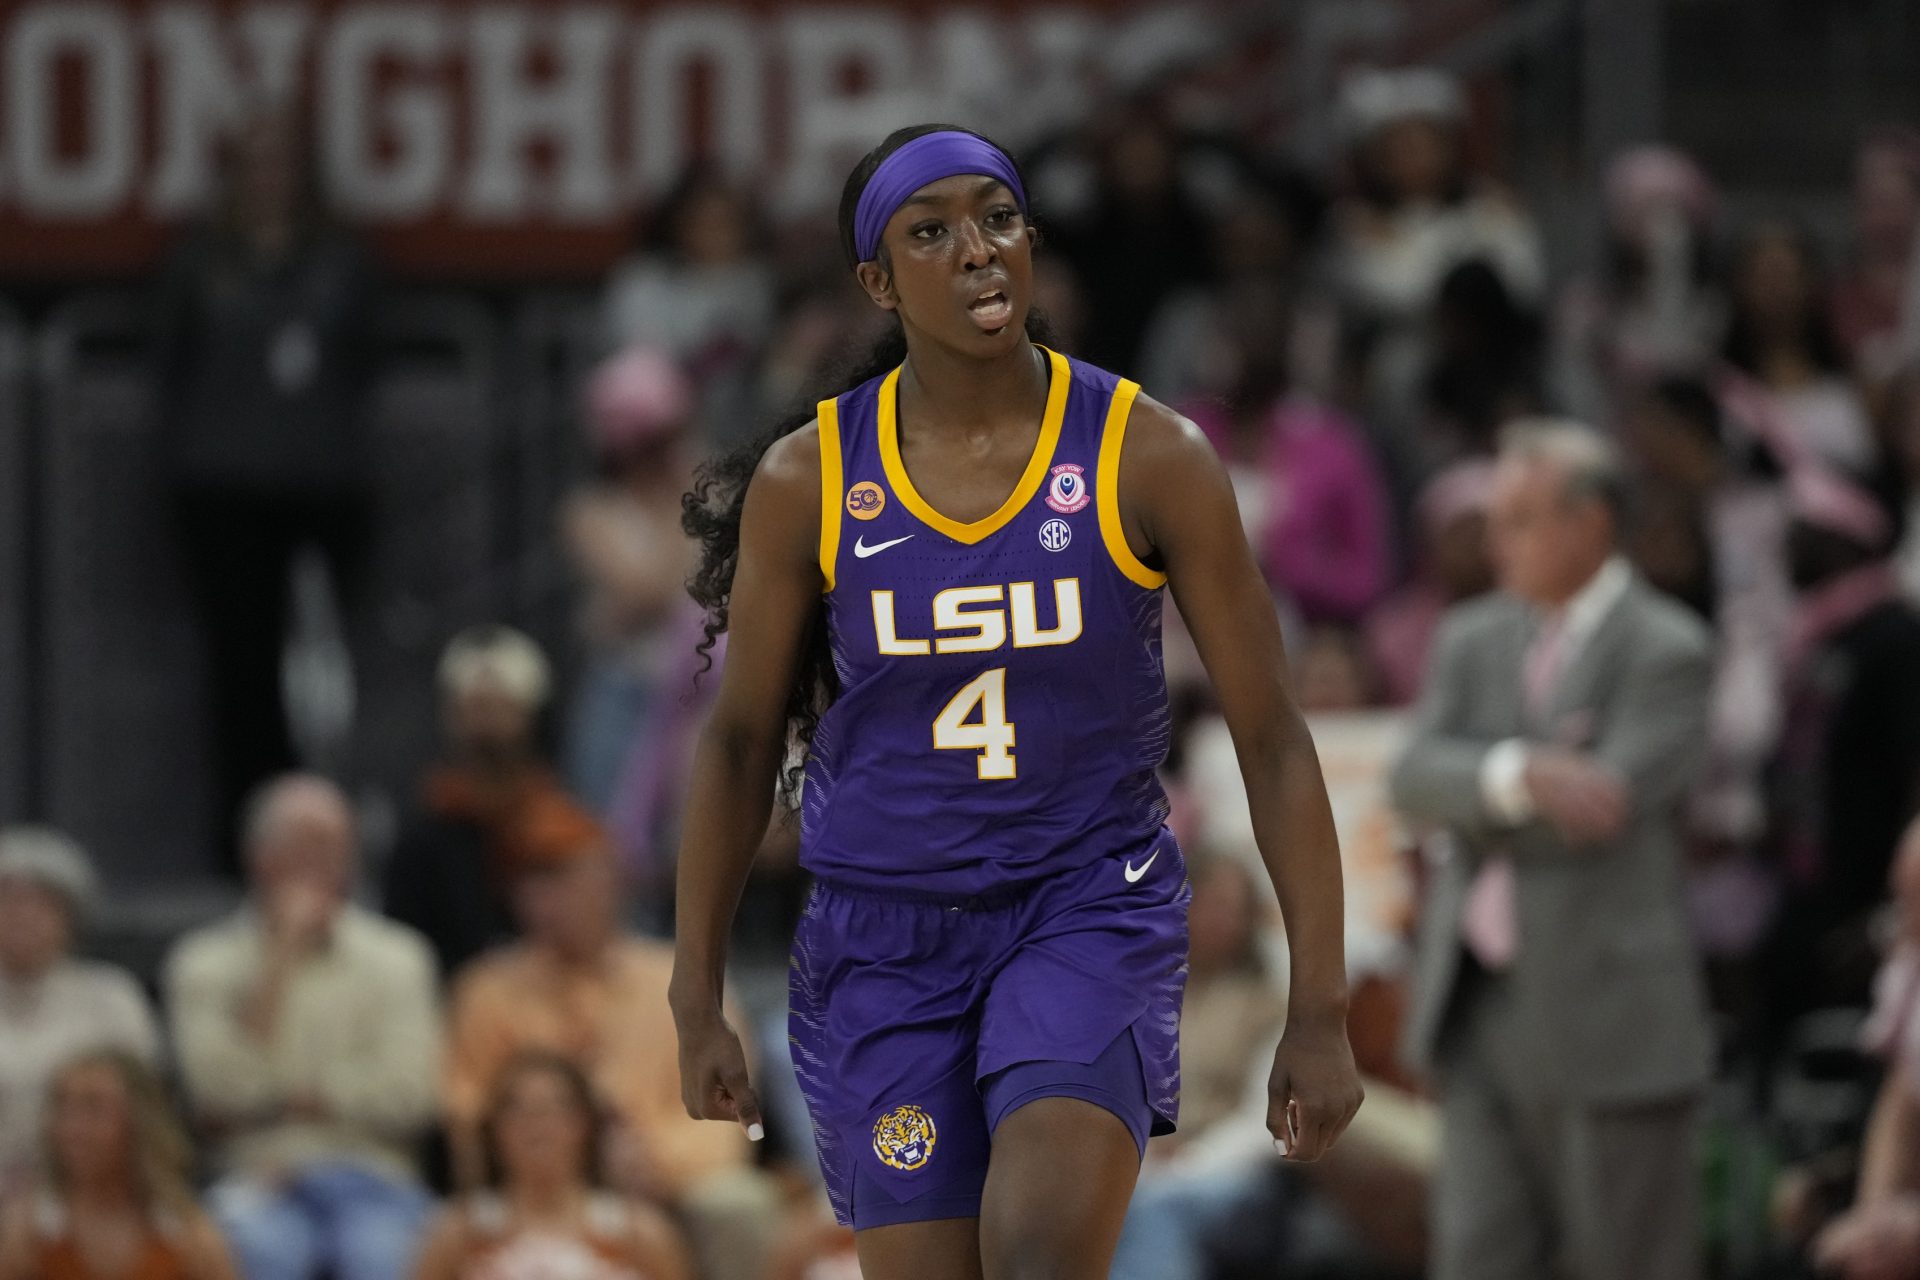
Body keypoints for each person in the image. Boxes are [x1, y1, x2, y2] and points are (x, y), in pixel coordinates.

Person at [669, 123, 1363, 1280]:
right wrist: (695, 995)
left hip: (1083, 907)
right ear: (878, 283)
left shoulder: (1151, 452)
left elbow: (1275, 739)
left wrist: (1321, 1003)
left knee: (1038, 1254)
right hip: (882, 939)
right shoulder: (813, 477)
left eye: (998, 218)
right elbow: (740, 742)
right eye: (930, 232)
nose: (979, 251)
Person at [1391, 420, 1715, 1280]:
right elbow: (1410, 777)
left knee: (1628, 1261)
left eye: (1521, 518)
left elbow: (1603, 805)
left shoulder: (1668, 647)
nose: (1495, 540)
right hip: (1477, 1002)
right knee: (1477, 1257)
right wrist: (1516, 772)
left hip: (1611, 1014)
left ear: (1592, 521)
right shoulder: (1471, 636)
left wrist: (1475, 791)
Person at [154, 101, 379, 869]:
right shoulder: (200, 260)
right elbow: (170, 364)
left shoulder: (341, 258)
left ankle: (337, 830)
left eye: (284, 161)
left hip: (323, 488)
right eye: (256, 161)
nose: (270, 177)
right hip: (223, 490)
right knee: (239, 669)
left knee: (333, 663)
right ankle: (248, 838)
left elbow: (362, 357)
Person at [442, 818, 773, 1280]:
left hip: (664, 1179)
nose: (550, 901)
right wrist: (563, 1162)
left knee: (739, 1205)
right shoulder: (487, 990)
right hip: (530, 1184)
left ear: (611, 883)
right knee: (459, 1225)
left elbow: (729, 1119)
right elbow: (468, 1119)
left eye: (567, 880)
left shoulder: (679, 981)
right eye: (534, 884)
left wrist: (653, 1164)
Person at [165, 775, 440, 1280]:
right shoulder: (203, 962)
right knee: (261, 1254)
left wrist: (282, 1097)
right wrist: (279, 963)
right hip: (256, 1179)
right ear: (259, 856)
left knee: (380, 1260)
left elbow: (410, 1096)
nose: (329, 862)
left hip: (374, 1180)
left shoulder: (401, 958)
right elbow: (217, 1091)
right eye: (308, 844)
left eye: (339, 846)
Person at [383, 625, 576, 976]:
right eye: (473, 709)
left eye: (501, 708)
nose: (485, 725)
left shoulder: (566, 830)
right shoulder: (423, 838)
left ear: (530, 717)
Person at [414, 1052, 690, 1280]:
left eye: (555, 1109)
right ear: (494, 1130)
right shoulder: (458, 1236)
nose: (538, 1126)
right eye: (518, 1110)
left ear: (586, 1124)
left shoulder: (641, 1236)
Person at [0, 828, 162, 1196]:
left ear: (71, 917)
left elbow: (141, 1113)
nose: (22, 916)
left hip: (86, 1192)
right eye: (7, 901)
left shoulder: (112, 998)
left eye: (40, 903)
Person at [0, 1051, 235, 1280]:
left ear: (140, 1122)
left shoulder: (190, 1238)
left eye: (94, 1108)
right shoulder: (29, 1236)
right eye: (63, 1107)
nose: (73, 1128)